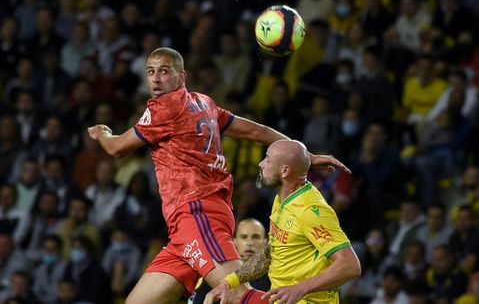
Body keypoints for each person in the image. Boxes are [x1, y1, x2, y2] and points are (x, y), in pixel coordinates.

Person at [87, 47, 350, 304]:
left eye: (164, 71)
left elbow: (117, 148)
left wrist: (102, 134)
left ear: (182, 77)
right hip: (184, 226)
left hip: (197, 213)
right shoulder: (204, 102)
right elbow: (256, 131)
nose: (156, 78)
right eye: (151, 71)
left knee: (236, 295)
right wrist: (306, 156)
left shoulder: (163, 108)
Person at [205, 140, 360, 304]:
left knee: (234, 298)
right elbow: (271, 252)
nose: (261, 163)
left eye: (268, 160)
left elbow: (350, 264)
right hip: (279, 299)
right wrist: (229, 282)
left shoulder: (311, 210)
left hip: (306, 301)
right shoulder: (281, 198)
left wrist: (300, 288)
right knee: (229, 294)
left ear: (285, 171)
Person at [192, 218, 270, 303]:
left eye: (256, 237)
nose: (250, 243)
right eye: (243, 237)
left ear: (266, 242)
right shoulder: (216, 274)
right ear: (234, 241)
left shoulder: (274, 276)